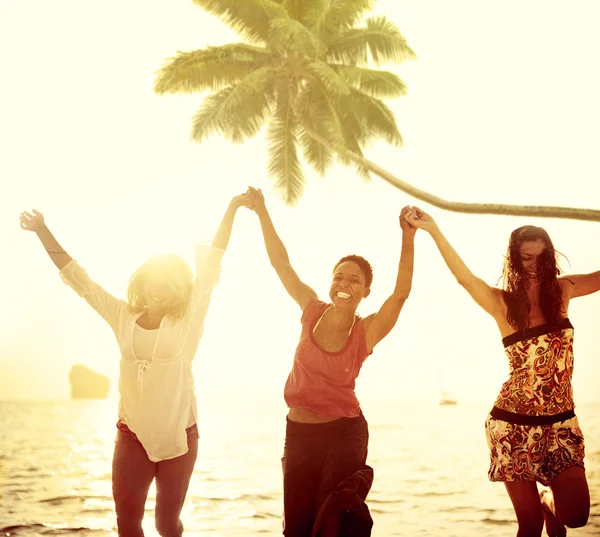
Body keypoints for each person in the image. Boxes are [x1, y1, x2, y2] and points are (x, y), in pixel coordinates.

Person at [19, 191, 253, 537]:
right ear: (140, 284)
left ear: (178, 289)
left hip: (179, 436)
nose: (156, 290)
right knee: (127, 524)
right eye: (151, 282)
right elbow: (79, 278)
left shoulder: (188, 319)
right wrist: (41, 229)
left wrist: (232, 208)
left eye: (166, 284)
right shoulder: (122, 315)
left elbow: (211, 262)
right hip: (133, 436)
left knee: (165, 524)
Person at [404, 206, 598, 537]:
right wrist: (433, 229)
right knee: (529, 525)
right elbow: (464, 277)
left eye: (541, 257)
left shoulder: (564, 291)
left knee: (577, 516)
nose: (534, 266)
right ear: (514, 258)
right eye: (526, 257)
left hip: (561, 423)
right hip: (512, 425)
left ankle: (548, 500)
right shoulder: (501, 304)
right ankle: (540, 510)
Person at [246, 187, 416, 536]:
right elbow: (281, 263)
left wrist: (407, 236)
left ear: (365, 292)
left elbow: (400, 294)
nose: (343, 283)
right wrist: (262, 211)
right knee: (296, 528)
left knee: (332, 519)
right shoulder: (310, 310)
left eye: (353, 280)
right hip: (299, 434)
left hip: (343, 432)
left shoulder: (365, 332)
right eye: (338, 276)